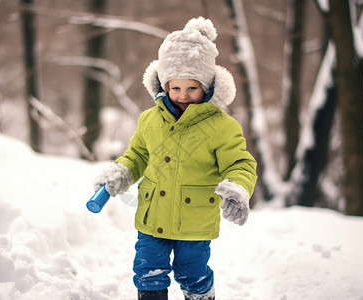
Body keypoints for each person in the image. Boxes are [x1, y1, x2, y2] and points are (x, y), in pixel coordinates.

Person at [94, 17, 257, 300]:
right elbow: (139, 154)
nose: (182, 95)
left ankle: (201, 295)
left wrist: (238, 188)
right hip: (152, 215)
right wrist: (121, 173)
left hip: (195, 221)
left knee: (191, 271)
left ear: (206, 87)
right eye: (175, 87)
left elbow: (241, 164)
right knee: (147, 269)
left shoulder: (222, 126)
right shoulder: (149, 120)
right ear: (163, 84)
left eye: (191, 88)